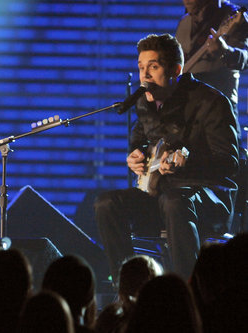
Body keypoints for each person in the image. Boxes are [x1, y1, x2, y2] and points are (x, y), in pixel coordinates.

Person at [94, 34, 239, 281]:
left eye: (154, 66)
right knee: (106, 203)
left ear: (176, 70)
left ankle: (186, 290)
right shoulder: (143, 103)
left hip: (207, 196)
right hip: (160, 195)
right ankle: (127, 287)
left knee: (174, 201)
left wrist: (189, 162)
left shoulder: (211, 101)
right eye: (141, 67)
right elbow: (138, 142)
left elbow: (229, 162)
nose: (145, 75)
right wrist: (135, 158)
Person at [176, 0, 248, 136]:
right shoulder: (184, 21)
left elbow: (245, 58)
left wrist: (224, 51)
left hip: (220, 109)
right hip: (188, 110)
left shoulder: (232, 15)